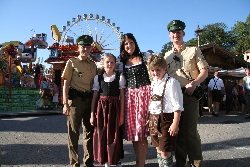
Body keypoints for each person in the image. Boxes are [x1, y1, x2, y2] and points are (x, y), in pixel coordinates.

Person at [164, 20, 208, 167]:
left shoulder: (193, 50)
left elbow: (204, 71)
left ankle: (196, 164)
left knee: (190, 133)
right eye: (173, 32)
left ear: (183, 33)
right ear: (169, 35)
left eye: (178, 32)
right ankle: (180, 164)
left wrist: (194, 83)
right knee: (177, 134)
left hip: (189, 95)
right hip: (172, 98)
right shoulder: (166, 56)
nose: (176, 34)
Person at [61, 35, 96, 167]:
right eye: (83, 47)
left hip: (88, 100)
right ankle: (74, 163)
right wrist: (65, 104)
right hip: (75, 101)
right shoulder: (71, 62)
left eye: (88, 47)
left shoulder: (93, 64)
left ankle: (88, 162)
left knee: (89, 132)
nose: (85, 49)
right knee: (73, 133)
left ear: (90, 48)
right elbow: (66, 83)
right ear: (78, 47)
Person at [119, 33, 151, 167]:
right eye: (126, 43)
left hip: (144, 95)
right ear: (123, 46)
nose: (129, 45)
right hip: (130, 97)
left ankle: (141, 164)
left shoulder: (145, 57)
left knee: (142, 132)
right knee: (134, 132)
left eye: (131, 42)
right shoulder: (121, 63)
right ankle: (138, 161)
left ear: (135, 43)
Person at [147, 54, 184, 167]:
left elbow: (178, 106)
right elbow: (153, 103)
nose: (155, 73)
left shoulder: (172, 82)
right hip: (154, 118)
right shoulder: (153, 83)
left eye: (158, 69)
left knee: (165, 150)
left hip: (166, 119)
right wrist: (150, 118)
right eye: (152, 70)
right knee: (158, 148)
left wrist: (175, 124)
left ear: (164, 68)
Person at [90, 53, 125, 167]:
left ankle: (116, 159)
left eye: (112, 62)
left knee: (115, 134)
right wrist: (92, 113)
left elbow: (122, 96)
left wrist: (121, 115)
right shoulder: (98, 78)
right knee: (102, 133)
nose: (109, 64)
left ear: (115, 64)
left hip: (115, 107)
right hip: (101, 108)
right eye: (107, 62)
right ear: (103, 63)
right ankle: (105, 159)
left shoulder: (120, 77)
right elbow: (95, 96)